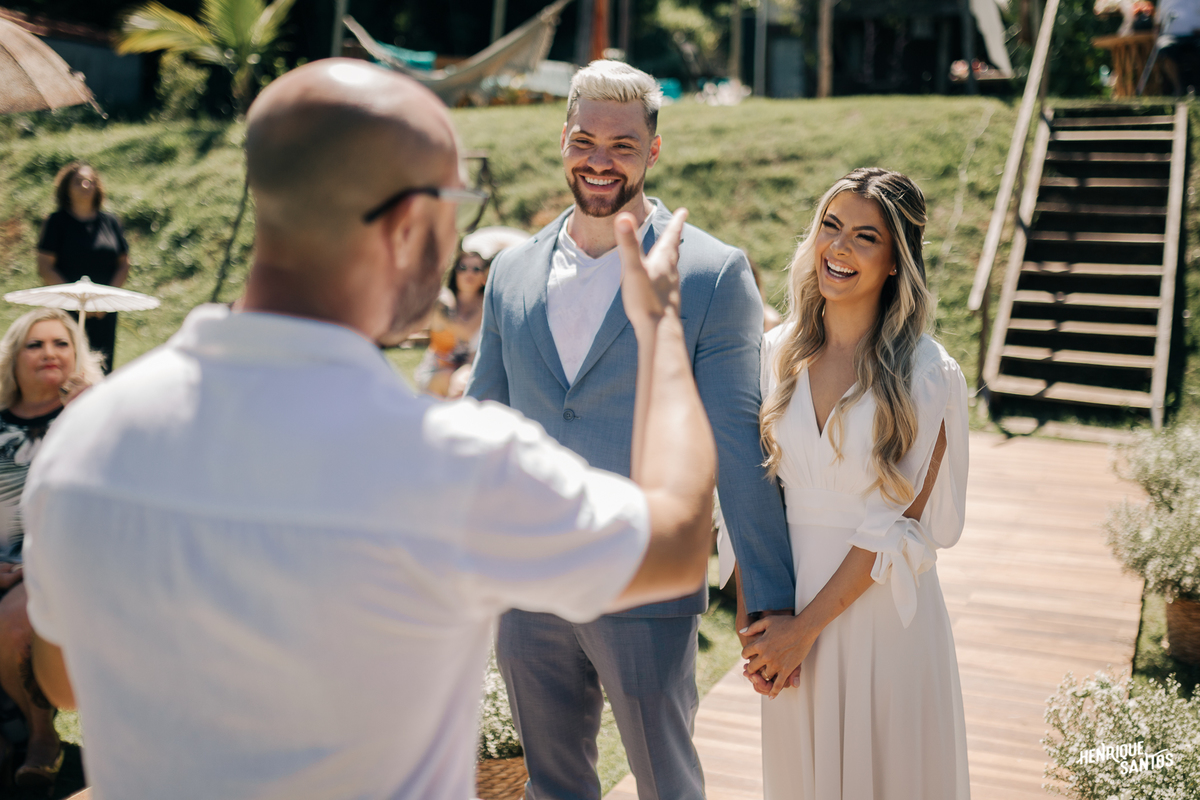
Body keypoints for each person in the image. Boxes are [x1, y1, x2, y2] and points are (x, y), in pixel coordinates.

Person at [20, 59, 718, 800]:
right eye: (456, 206)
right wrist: (659, 326)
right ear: (410, 223)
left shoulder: (85, 439)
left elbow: (60, 680)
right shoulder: (451, 464)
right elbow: (677, 546)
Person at [467, 59, 793, 800]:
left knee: (666, 784)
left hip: (647, 577)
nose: (600, 160)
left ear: (653, 150)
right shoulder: (510, 271)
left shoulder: (712, 273)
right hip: (529, 579)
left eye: (622, 145)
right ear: (563, 140)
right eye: (585, 140)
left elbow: (737, 440)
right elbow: (483, 423)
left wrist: (770, 594)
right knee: (552, 786)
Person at [738, 168, 970, 798]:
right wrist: (758, 629)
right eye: (831, 226)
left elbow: (899, 524)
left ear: (896, 261)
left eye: (865, 237)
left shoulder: (926, 372)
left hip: (879, 620)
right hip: (784, 619)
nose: (838, 248)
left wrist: (803, 631)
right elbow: (750, 500)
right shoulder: (773, 354)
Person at [0, 308, 99, 791]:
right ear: (13, 358)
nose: (49, 353)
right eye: (35, 344)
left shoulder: (90, 417)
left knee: (13, 623)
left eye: (61, 343)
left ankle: (43, 737)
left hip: (57, 563)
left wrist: (96, 412)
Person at [36, 162, 131, 374]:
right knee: (68, 365)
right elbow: (45, 266)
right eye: (78, 182)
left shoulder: (111, 222)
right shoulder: (56, 222)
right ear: (66, 188)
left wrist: (105, 300)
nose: (85, 186)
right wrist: (75, 301)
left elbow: (124, 263)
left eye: (90, 181)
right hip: (67, 307)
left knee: (102, 366)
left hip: (104, 309)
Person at [415, 250, 490, 398]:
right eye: (463, 267)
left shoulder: (487, 303)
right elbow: (466, 332)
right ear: (455, 272)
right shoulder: (443, 300)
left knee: (464, 383)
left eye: (476, 269)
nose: (469, 273)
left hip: (468, 369)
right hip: (437, 370)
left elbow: (470, 338)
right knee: (456, 384)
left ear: (484, 275)